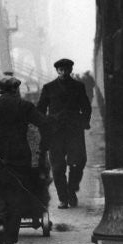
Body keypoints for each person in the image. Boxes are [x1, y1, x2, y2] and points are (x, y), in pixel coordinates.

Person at [0, 75, 51, 244]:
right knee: (16, 197)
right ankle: (10, 238)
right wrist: (43, 147)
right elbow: (45, 124)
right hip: (20, 159)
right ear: (16, 89)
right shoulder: (25, 106)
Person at [36, 58, 91, 208]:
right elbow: (40, 110)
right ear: (57, 71)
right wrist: (46, 125)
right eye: (60, 70)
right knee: (58, 166)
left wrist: (83, 122)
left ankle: (72, 190)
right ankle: (63, 198)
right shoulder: (49, 88)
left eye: (66, 69)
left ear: (71, 70)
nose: (63, 72)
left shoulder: (78, 86)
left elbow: (86, 107)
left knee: (78, 162)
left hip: (74, 131)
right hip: (55, 133)